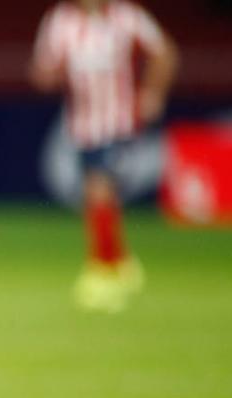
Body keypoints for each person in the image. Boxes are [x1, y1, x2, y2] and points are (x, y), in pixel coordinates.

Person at [31, 0, 178, 313]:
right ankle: (120, 263)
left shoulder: (127, 17)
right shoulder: (60, 21)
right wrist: (51, 73)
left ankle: (102, 268)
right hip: (82, 126)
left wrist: (153, 93)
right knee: (96, 194)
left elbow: (165, 52)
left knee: (99, 188)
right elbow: (42, 70)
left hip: (118, 123)